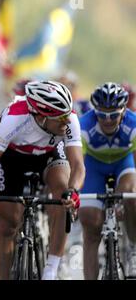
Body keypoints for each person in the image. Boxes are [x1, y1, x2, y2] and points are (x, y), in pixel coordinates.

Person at [0, 80, 85, 280]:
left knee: (63, 194)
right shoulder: (14, 118)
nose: (66, 121)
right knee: (7, 225)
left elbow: (78, 165)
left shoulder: (69, 119)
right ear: (42, 116)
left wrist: (74, 191)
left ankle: (51, 271)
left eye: (67, 115)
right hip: (12, 158)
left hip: (49, 155)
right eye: (60, 117)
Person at [79, 82, 136, 279]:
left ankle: (134, 249)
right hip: (94, 167)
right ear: (95, 112)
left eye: (113, 115)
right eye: (102, 114)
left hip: (123, 164)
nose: (108, 120)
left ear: (124, 111)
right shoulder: (83, 125)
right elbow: (77, 164)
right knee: (90, 223)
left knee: (132, 197)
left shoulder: (133, 123)